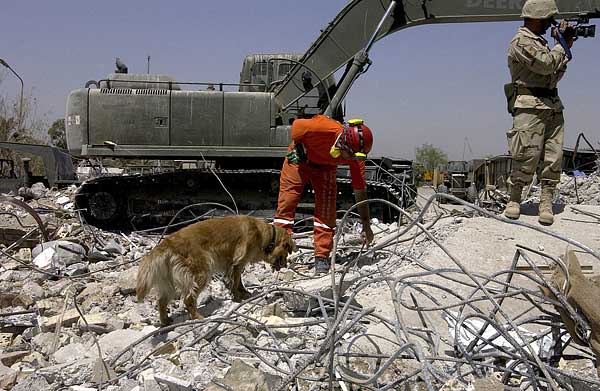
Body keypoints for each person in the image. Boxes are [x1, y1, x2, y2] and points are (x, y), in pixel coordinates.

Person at [274, 114, 374, 275]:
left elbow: (360, 191)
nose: (348, 159)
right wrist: (300, 146)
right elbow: (296, 127)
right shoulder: (323, 127)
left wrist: (366, 224)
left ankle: (322, 256)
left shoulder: (355, 157)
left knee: (326, 212)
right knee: (287, 203)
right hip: (299, 161)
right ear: (342, 143)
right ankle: (279, 253)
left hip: (326, 168)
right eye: (347, 155)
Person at [503, 0, 574, 225]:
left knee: (553, 157)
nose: (548, 24)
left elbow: (555, 73)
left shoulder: (542, 43)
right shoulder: (520, 41)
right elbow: (545, 65)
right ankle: (514, 199)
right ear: (535, 18)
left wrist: (563, 47)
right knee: (526, 155)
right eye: (547, 20)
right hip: (529, 106)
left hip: (552, 104)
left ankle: (546, 202)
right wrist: (562, 45)